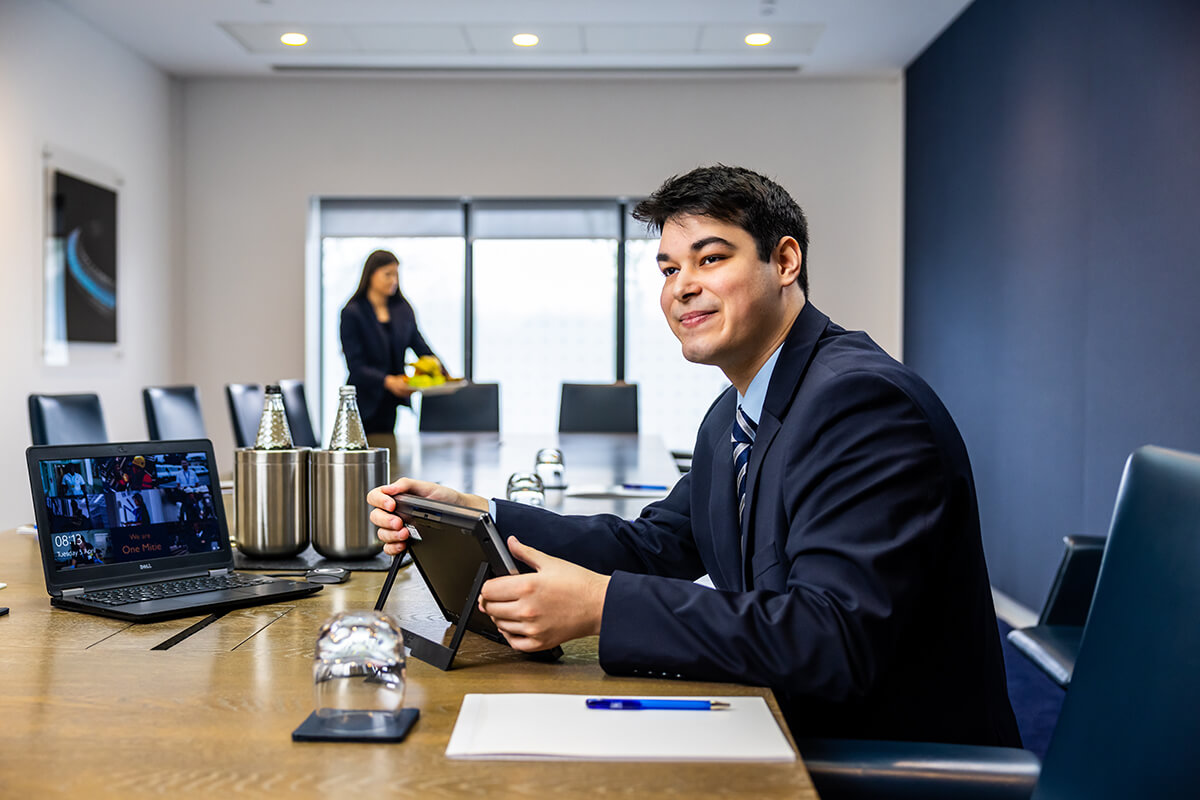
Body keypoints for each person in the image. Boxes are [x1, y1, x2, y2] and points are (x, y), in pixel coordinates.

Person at [368, 165, 1021, 747]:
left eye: (710, 259)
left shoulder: (861, 402)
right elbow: (655, 546)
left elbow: (834, 639)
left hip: (877, 751)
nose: (682, 287)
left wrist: (603, 606)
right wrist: (477, 510)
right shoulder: (730, 416)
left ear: (785, 261)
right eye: (669, 269)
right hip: (775, 714)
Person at [340, 250, 444, 456]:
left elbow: (421, 347)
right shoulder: (353, 313)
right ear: (371, 275)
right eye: (387, 274)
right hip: (363, 400)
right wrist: (389, 381)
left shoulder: (402, 309)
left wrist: (444, 375)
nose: (394, 280)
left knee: (388, 452)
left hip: (391, 402)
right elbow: (356, 365)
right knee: (363, 454)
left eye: (396, 275)